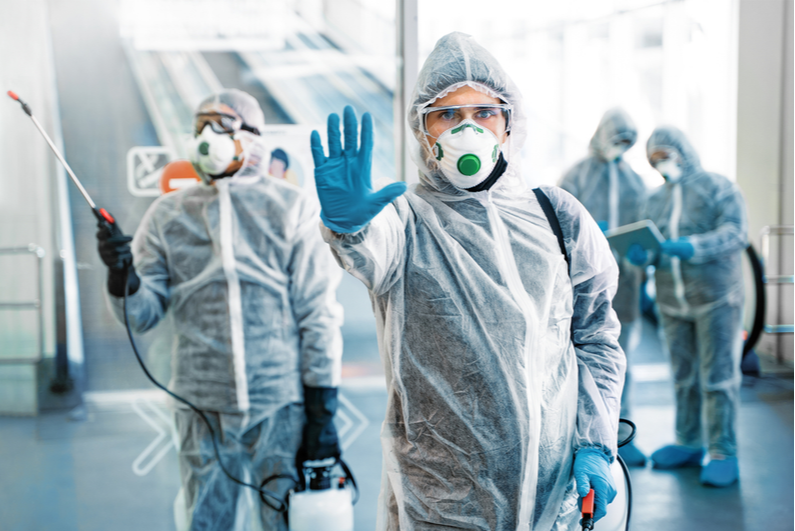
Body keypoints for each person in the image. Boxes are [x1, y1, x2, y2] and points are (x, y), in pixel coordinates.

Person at [311, 32, 625, 530]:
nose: (467, 129)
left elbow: (594, 337)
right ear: (423, 130)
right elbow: (368, 254)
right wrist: (347, 227)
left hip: (552, 494)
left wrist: (594, 443)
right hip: (439, 503)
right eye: (447, 115)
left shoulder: (557, 217)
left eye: (482, 113)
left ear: (508, 124)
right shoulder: (404, 221)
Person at [96, 89, 344, 530]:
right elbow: (142, 314)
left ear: (253, 137)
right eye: (200, 128)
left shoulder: (292, 210)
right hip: (200, 405)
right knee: (206, 519)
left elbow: (317, 314)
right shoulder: (168, 215)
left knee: (286, 521)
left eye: (222, 126)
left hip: (280, 403)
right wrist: (124, 279)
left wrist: (321, 411)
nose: (208, 137)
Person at [627, 125, 748, 487]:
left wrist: (693, 246)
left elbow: (735, 232)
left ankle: (723, 452)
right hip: (671, 301)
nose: (661, 164)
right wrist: (638, 256)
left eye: (665, 156)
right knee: (683, 378)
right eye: (655, 160)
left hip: (716, 300)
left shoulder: (719, 188)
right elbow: (651, 247)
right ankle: (689, 441)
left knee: (718, 378)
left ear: (683, 151)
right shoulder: (653, 199)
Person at [559, 108, 648, 467]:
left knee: (618, 358)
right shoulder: (576, 175)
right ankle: (574, 433)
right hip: (579, 283)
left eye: (627, 142)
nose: (620, 147)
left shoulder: (635, 180)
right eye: (617, 139)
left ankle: (619, 432)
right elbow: (555, 224)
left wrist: (641, 252)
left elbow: (645, 222)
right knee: (577, 357)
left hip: (624, 282)